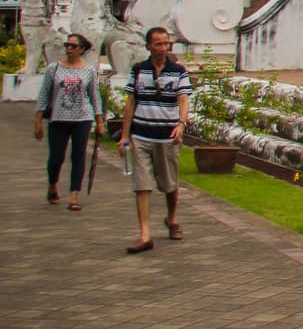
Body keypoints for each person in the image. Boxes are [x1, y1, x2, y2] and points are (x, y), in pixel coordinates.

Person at [119, 26, 191, 254]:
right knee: (142, 185)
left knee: (169, 183)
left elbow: (183, 100)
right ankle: (144, 234)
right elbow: (131, 102)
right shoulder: (139, 70)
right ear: (148, 46)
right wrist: (124, 136)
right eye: (158, 44)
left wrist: (180, 124)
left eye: (165, 43)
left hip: (166, 134)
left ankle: (171, 217)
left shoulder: (178, 71)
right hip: (141, 133)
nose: (162, 48)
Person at [33, 32, 107, 211]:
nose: (69, 49)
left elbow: (94, 96)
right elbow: (44, 94)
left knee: (79, 156)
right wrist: (37, 120)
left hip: (82, 117)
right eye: (67, 45)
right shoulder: (54, 68)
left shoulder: (88, 70)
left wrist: (99, 121)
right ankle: (53, 185)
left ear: (81, 49)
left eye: (73, 46)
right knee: (56, 157)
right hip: (59, 117)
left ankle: (74, 195)